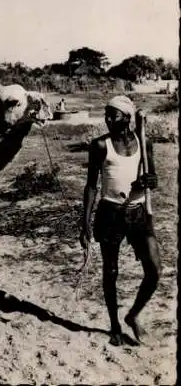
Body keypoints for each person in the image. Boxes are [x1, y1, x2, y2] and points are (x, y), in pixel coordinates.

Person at [80, 95, 161, 346]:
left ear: (127, 118)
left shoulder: (144, 142)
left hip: (138, 213)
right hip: (110, 214)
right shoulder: (100, 146)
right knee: (111, 271)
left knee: (155, 270)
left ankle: (133, 316)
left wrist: (150, 181)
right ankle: (114, 325)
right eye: (106, 114)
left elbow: (154, 177)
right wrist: (85, 222)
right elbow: (91, 186)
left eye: (112, 115)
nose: (107, 119)